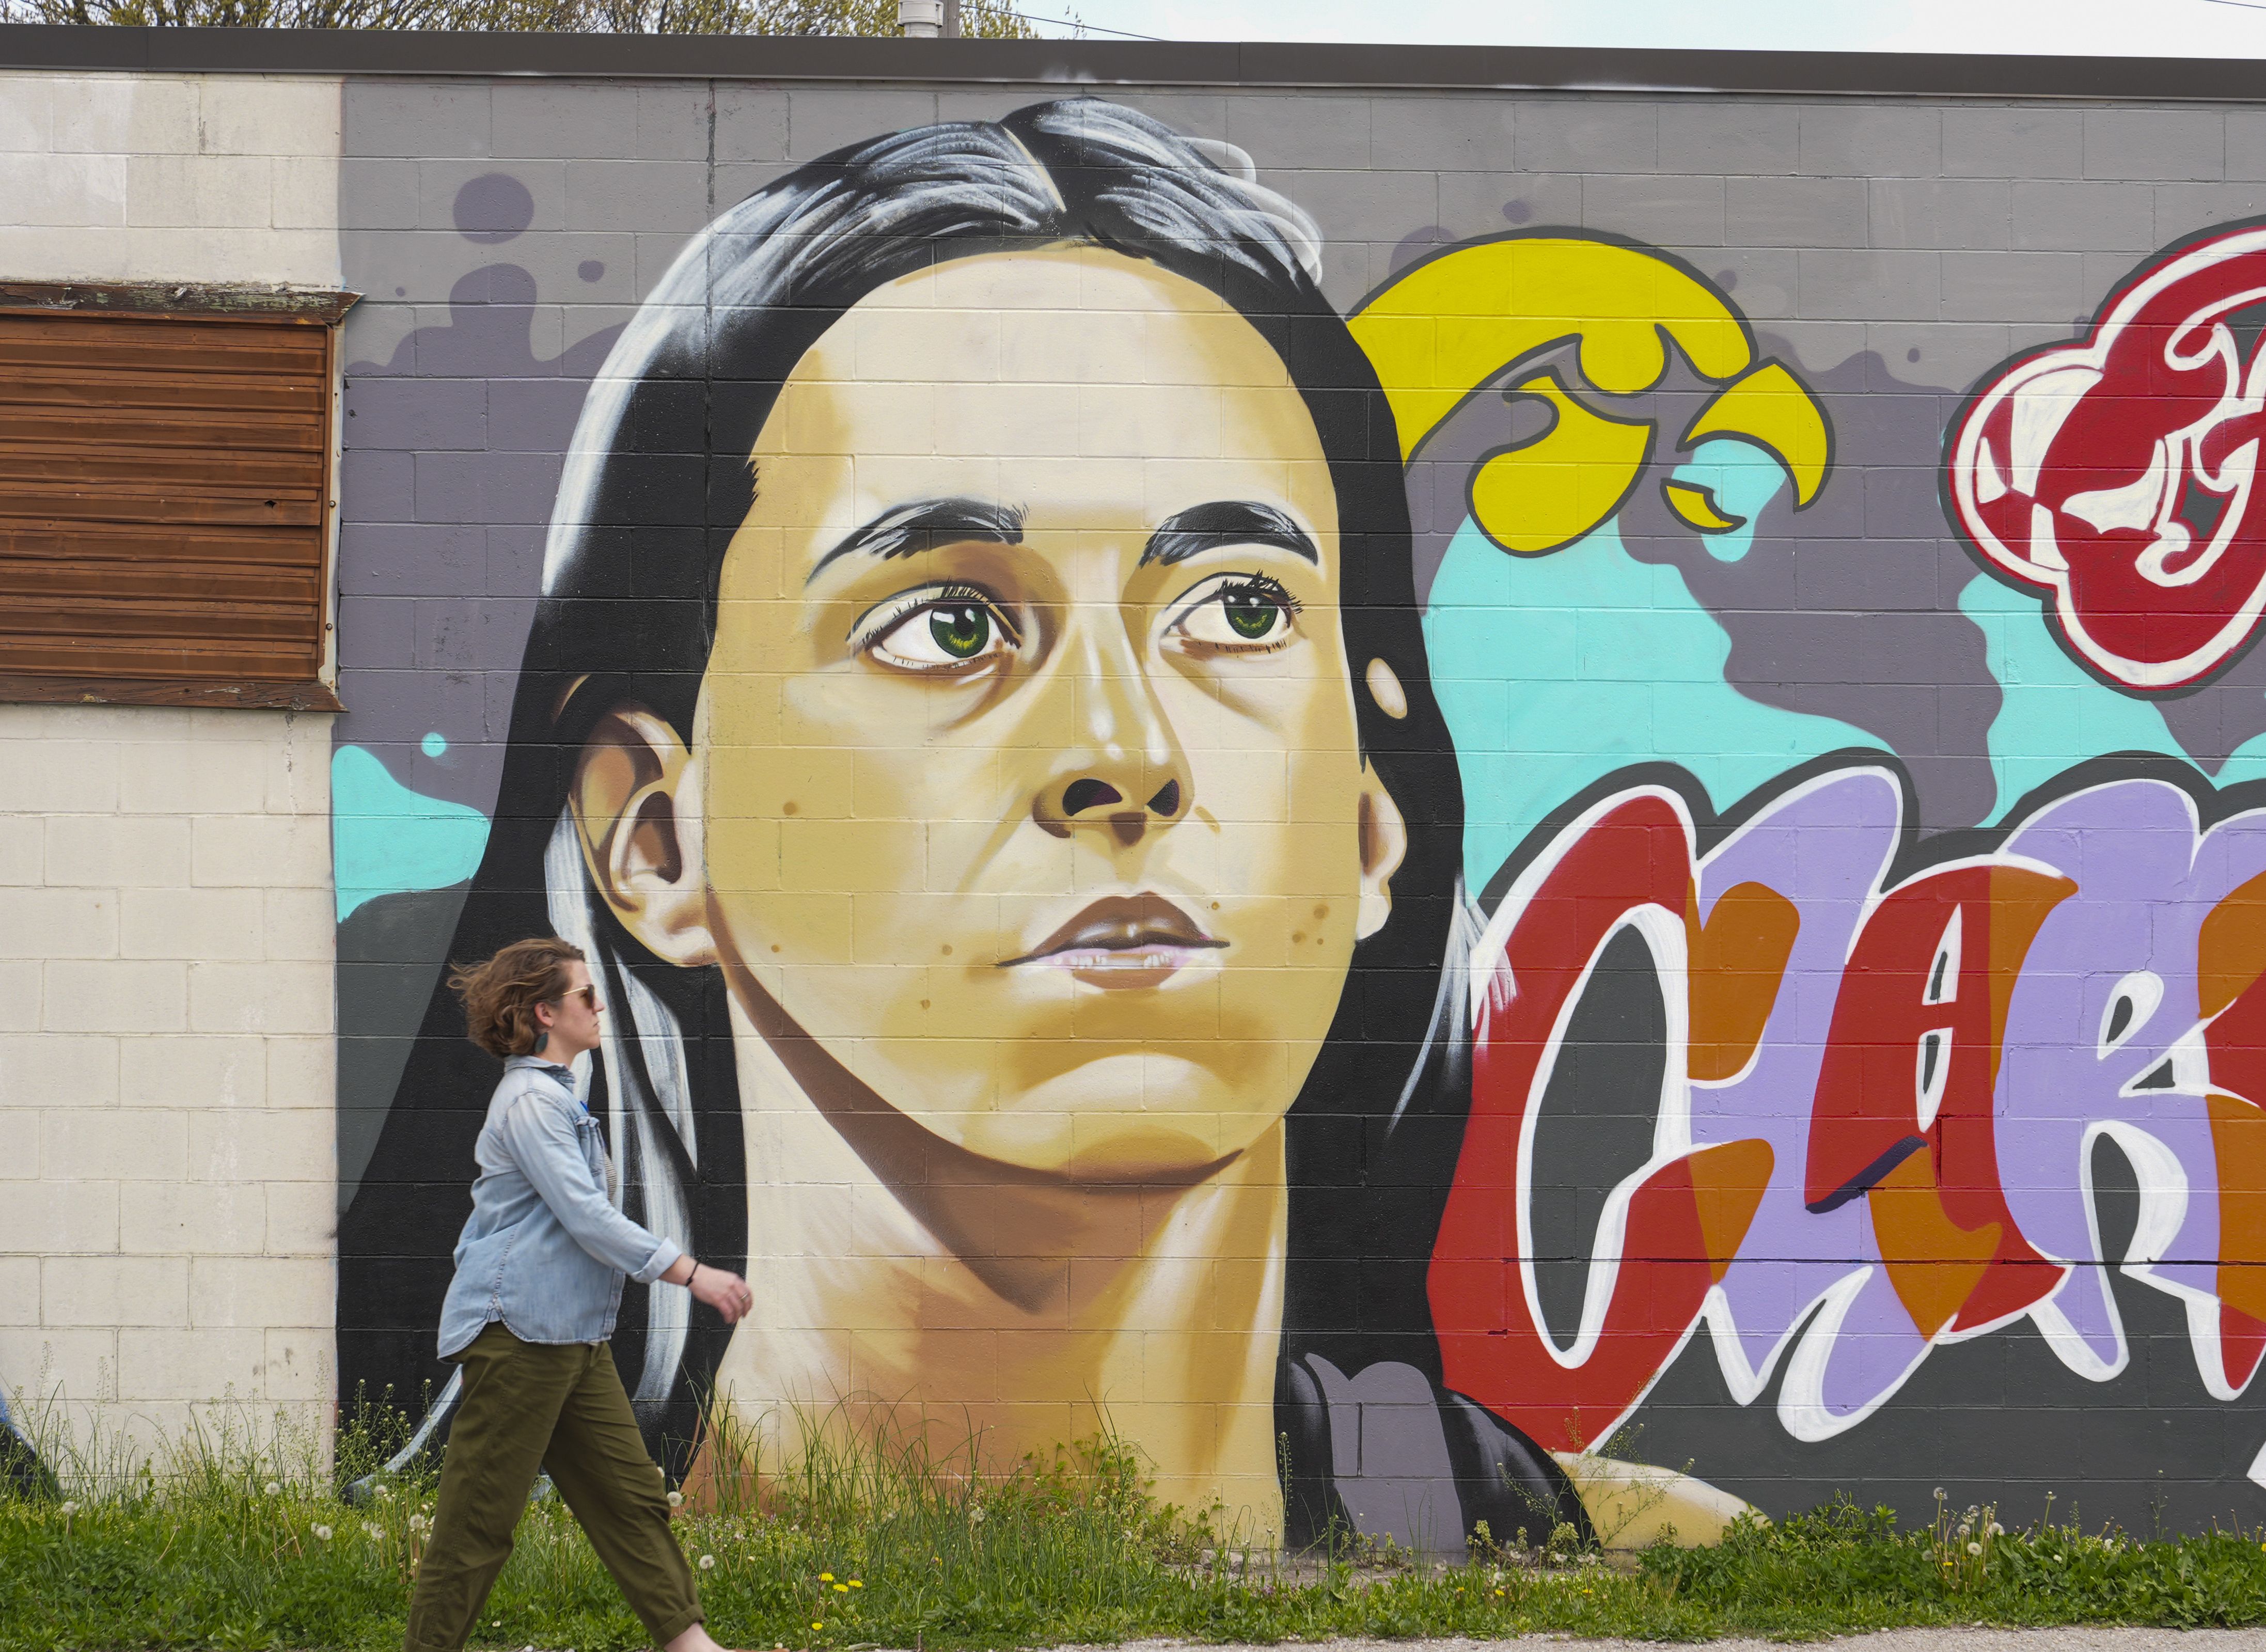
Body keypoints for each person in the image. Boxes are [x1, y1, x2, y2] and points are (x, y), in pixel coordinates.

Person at [340, 96, 1591, 1557]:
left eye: (1240, 607)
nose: (1126, 758)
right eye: (947, 624)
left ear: (1371, 815)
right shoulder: (525, 1560)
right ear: (655, 840)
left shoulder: (1592, 1557)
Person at [398, 937, 807, 1652]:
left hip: (571, 1339)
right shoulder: (531, 1103)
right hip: (519, 1333)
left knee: (630, 1501)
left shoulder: (559, 1097)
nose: (600, 1006)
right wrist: (692, 1273)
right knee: (482, 1510)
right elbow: (586, 1219)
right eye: (586, 995)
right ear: (544, 1013)